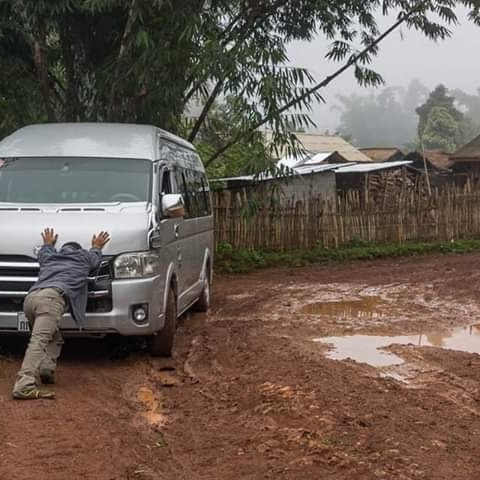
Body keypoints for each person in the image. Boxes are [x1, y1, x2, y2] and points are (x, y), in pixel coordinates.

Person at [12, 228, 111, 400]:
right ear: (79, 250)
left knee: (54, 337)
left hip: (31, 299)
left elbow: (44, 252)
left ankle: (46, 370)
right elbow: (95, 258)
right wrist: (97, 246)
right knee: (39, 341)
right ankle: (24, 385)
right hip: (51, 299)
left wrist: (48, 244)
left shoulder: (51, 257)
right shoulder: (83, 258)